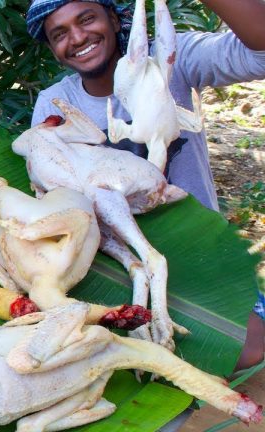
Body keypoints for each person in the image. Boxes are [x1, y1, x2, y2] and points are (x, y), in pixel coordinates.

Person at [26, 0, 265, 370]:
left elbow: (260, 52)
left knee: (246, 351)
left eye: (87, 19)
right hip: (116, 262)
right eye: (59, 34)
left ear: (113, 18)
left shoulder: (169, 62)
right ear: (53, 50)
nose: (78, 37)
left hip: (198, 253)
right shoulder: (56, 105)